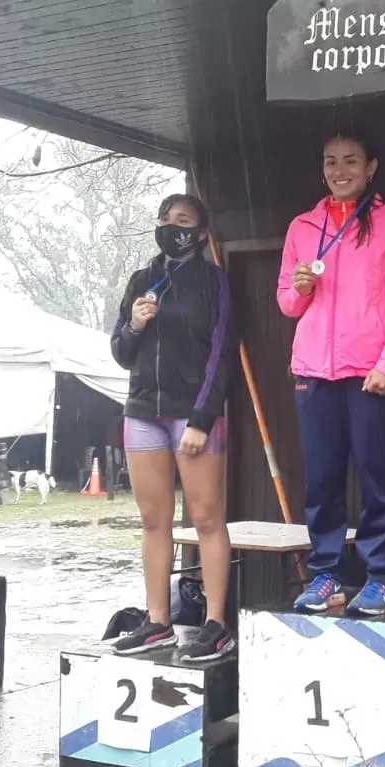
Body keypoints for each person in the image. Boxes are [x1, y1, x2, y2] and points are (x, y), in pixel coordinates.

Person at [277, 132, 385, 616]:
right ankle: (325, 574)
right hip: (314, 370)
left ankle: (380, 576)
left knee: (375, 476)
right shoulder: (303, 226)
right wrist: (301, 287)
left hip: (371, 372)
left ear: (371, 167)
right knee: (321, 478)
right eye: (330, 162)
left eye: (350, 161)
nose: (340, 170)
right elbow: (287, 303)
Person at [109, 194, 238, 662]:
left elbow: (223, 354)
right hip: (142, 412)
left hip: (194, 413)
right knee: (153, 520)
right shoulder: (142, 280)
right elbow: (121, 352)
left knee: (206, 517)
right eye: (165, 220)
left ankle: (217, 624)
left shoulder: (213, 282)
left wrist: (202, 419)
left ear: (201, 233)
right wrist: (135, 325)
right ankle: (158, 622)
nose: (172, 227)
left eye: (183, 221)